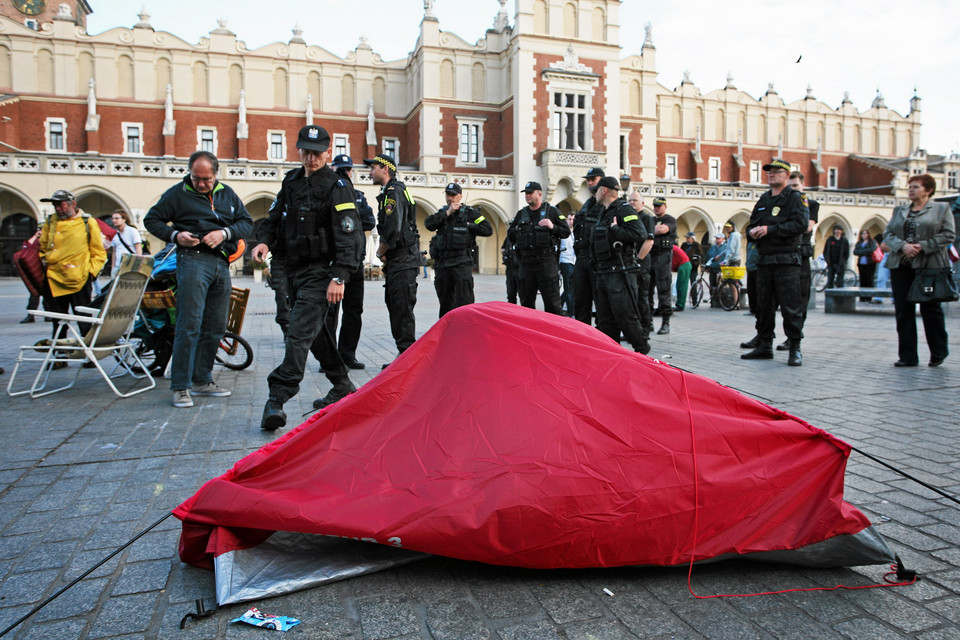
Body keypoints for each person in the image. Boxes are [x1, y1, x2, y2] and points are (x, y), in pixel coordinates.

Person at [252, 125, 364, 430]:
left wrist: (340, 276)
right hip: (293, 271)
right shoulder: (291, 181)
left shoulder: (337, 186)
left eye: (317, 153)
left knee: (298, 332)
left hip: (322, 272)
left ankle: (277, 397)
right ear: (299, 150)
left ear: (327, 152)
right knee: (314, 332)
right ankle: (341, 384)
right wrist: (263, 241)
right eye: (306, 151)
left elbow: (349, 235)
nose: (311, 158)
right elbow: (273, 219)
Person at [144, 151, 253, 408]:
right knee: (188, 323)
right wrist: (175, 236)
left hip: (220, 261)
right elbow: (152, 219)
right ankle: (181, 387)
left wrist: (225, 233)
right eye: (197, 178)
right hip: (192, 259)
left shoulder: (227, 193)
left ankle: (203, 379)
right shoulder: (177, 193)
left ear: (216, 174)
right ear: (190, 173)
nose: (202, 183)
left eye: (207, 179)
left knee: (215, 324)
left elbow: (246, 223)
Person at [740, 159, 809, 366]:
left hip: (786, 258)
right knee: (763, 305)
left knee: (790, 306)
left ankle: (794, 347)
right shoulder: (764, 200)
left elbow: (800, 224)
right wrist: (752, 232)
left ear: (787, 176)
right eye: (769, 172)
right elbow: (751, 225)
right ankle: (764, 345)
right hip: (765, 259)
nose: (771, 175)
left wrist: (770, 230)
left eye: (777, 172)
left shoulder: (796, 198)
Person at [881, 173, 954, 367]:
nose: (911, 190)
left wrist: (923, 246)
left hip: (928, 266)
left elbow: (948, 235)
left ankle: (938, 352)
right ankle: (907, 356)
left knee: (931, 309)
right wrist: (902, 246)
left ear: (928, 190)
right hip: (901, 265)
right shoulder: (900, 210)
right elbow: (887, 233)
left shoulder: (941, 209)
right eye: (909, 186)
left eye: (915, 186)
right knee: (903, 311)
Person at [325, 154, 377, 368]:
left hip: (355, 262)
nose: (345, 174)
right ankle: (328, 358)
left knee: (354, 311)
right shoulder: (327, 194)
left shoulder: (358, 196)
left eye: (347, 170)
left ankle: (347, 354)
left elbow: (370, 221)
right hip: (333, 263)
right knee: (330, 313)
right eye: (341, 170)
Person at [368, 153, 421, 362]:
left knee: (402, 310)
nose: (370, 172)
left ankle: (407, 360)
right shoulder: (393, 191)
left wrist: (380, 252)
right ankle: (404, 357)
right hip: (400, 261)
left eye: (373, 168)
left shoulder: (393, 192)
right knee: (397, 308)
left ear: (385, 169)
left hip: (402, 261)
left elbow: (392, 228)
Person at [589, 176, 650, 354]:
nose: (595, 194)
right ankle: (612, 355)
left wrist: (616, 230)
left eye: (597, 190)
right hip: (604, 272)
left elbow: (640, 233)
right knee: (605, 320)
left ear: (604, 190)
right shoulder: (604, 212)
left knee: (626, 317)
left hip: (620, 272)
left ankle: (642, 351)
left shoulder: (623, 209)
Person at [38, 190, 107, 339]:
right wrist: (46, 261)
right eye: (55, 205)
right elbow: (43, 246)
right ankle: (59, 355)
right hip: (54, 277)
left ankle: (88, 354)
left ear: (72, 203)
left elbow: (99, 252)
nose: (57, 208)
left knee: (83, 318)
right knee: (58, 320)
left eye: (60, 204)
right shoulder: (50, 222)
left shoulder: (87, 222)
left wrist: (91, 273)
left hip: (79, 278)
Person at [424, 182, 493, 317]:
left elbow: (487, 229)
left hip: (461, 263)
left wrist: (470, 225)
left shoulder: (470, 213)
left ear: (460, 196)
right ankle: (446, 335)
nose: (450, 198)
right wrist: (447, 213)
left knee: (464, 303)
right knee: (445, 304)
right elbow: (429, 224)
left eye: (453, 195)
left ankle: (465, 334)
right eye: (448, 195)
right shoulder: (442, 213)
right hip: (443, 265)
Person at [507, 181, 570, 314]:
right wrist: (518, 230)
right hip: (526, 263)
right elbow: (510, 236)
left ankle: (553, 332)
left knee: (552, 303)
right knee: (526, 303)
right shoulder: (521, 214)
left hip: (546, 262)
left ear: (539, 194)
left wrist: (552, 226)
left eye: (530, 193)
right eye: (526, 193)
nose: (527, 196)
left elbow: (566, 232)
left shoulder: (552, 211)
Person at [781, 171, 819, 350]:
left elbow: (805, 227)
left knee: (801, 298)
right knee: (785, 299)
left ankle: (795, 337)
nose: (793, 189)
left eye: (796, 186)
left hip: (801, 254)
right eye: (790, 186)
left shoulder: (811, 204)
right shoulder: (783, 203)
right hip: (785, 253)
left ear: (803, 185)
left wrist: (784, 226)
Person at [572, 167, 604, 324]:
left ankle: (602, 337)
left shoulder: (607, 205)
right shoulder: (587, 204)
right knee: (581, 300)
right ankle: (583, 335)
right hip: (582, 257)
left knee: (601, 302)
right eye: (588, 180)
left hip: (598, 259)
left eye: (593, 179)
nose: (590, 182)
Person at [626, 191, 655, 335]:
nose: (631, 202)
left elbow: (649, 242)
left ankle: (645, 330)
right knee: (631, 299)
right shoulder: (628, 218)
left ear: (642, 203)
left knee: (642, 298)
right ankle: (634, 331)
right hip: (629, 264)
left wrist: (638, 259)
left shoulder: (646, 218)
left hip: (641, 265)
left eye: (635, 200)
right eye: (630, 200)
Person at [648, 197, 676, 335]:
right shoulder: (651, 220)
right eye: (655, 206)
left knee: (663, 290)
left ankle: (666, 323)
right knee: (647, 290)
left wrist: (649, 230)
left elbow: (661, 230)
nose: (656, 208)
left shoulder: (670, 219)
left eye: (659, 205)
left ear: (665, 206)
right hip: (650, 256)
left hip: (663, 257)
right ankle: (649, 322)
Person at [15, 229, 44, 323]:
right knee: (34, 293)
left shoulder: (49, 238)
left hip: (47, 268)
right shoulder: (36, 240)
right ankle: (31, 315)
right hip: (36, 269)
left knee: (48, 294)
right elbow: (26, 248)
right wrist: (36, 236)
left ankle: (49, 313)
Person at [108, 209, 142, 279]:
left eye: (117, 218)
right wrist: (113, 267)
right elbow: (114, 252)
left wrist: (137, 266)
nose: (114, 220)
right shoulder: (115, 234)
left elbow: (138, 249)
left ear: (124, 219)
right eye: (113, 218)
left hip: (130, 265)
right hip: (118, 266)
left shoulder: (132, 231)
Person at [853, 228, 879, 302]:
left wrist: (862, 252)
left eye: (865, 233)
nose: (863, 235)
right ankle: (862, 297)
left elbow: (872, 249)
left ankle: (869, 297)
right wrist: (865, 252)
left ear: (868, 234)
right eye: (862, 233)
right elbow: (855, 252)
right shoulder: (859, 243)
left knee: (869, 280)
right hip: (861, 264)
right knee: (862, 280)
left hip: (870, 263)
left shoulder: (872, 242)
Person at [558, 212, 575, 316]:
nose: (571, 221)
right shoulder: (563, 233)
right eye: (569, 219)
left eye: (573, 219)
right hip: (565, 261)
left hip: (574, 262)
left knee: (571, 287)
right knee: (568, 287)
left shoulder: (576, 232)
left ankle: (559, 305)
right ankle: (571, 311)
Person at [703, 233, 726, 307]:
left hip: (721, 269)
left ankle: (720, 301)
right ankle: (713, 301)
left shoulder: (725, 247)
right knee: (712, 285)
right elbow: (708, 257)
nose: (717, 240)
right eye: (716, 238)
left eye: (719, 238)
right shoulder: (713, 247)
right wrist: (706, 266)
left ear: (723, 239)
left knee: (720, 285)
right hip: (712, 268)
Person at [680, 231, 703, 304]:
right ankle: (681, 300)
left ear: (692, 238)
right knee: (682, 284)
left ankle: (694, 301)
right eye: (686, 238)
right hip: (684, 266)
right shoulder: (684, 245)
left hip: (693, 267)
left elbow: (700, 255)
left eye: (688, 238)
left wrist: (697, 263)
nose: (687, 239)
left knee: (693, 284)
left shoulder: (696, 245)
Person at [671, 244, 691, 312]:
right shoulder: (673, 247)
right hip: (685, 264)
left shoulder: (671, 249)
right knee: (680, 285)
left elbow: (673, 262)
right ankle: (679, 304)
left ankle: (680, 305)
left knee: (681, 286)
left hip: (684, 265)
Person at [501, 236, 519, 304]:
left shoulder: (523, 235)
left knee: (524, 295)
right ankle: (512, 311)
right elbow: (502, 248)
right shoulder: (509, 237)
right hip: (510, 267)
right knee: (511, 293)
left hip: (521, 267)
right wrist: (505, 255)